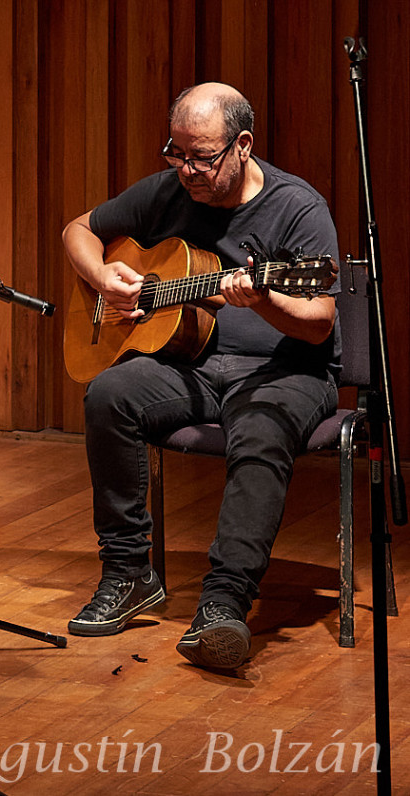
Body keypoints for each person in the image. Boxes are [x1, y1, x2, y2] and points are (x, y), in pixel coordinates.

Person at [60, 83, 338, 670]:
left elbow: (318, 323)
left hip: (285, 370)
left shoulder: (298, 208)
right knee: (109, 394)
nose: (186, 170)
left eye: (202, 157)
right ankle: (128, 573)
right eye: (176, 153)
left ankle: (223, 604)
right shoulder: (169, 190)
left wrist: (264, 299)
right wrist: (104, 277)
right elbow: (77, 230)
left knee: (260, 431)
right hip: (192, 363)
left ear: (243, 145)